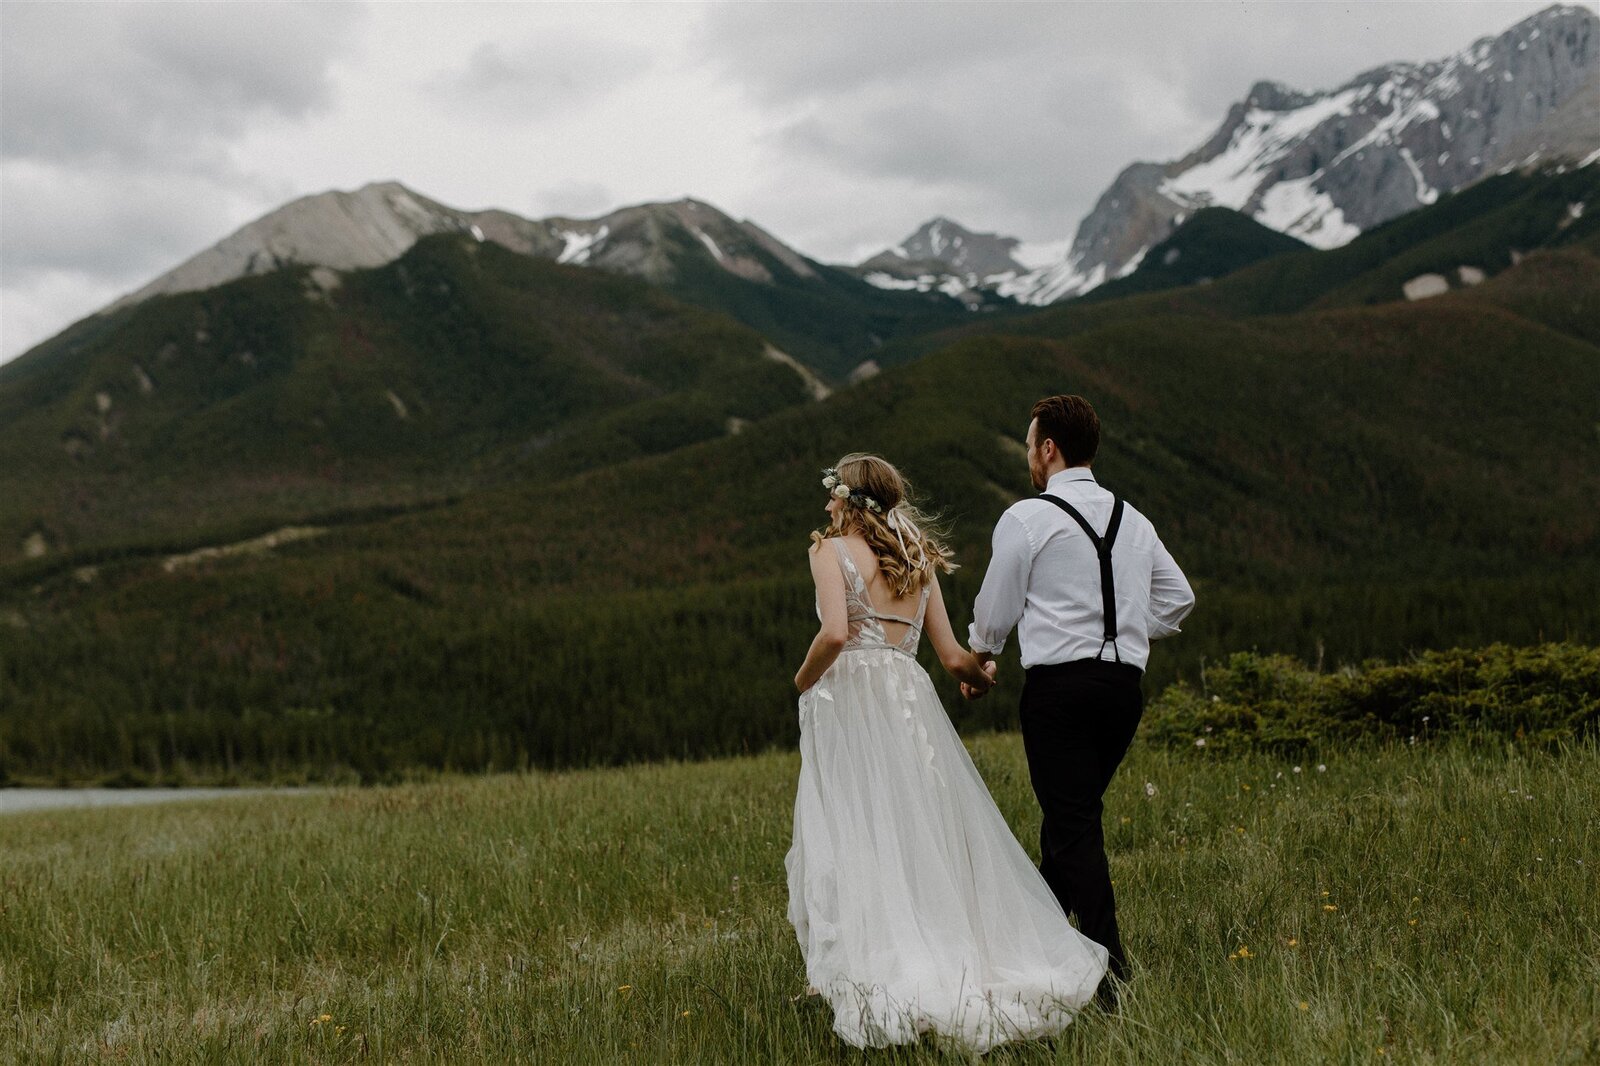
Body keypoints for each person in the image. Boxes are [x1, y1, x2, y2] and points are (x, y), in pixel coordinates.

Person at [787, 453, 1107, 1053]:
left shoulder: (828, 553)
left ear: (850, 501)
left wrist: (802, 682)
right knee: (919, 829)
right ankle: (946, 948)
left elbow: (833, 634)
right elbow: (954, 657)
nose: (826, 505)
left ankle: (879, 964)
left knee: (860, 828)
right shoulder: (919, 564)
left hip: (852, 703)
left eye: (832, 494)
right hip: (908, 701)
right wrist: (981, 677)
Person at [965, 394, 1195, 1005]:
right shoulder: (1133, 518)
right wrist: (1120, 629)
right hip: (1123, 693)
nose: (1028, 457)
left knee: (1074, 830)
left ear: (1048, 448)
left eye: (1028, 445)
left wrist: (980, 657)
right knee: (1070, 826)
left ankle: (1110, 979)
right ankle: (1024, 942)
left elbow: (995, 611)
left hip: (1059, 694)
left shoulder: (1026, 519)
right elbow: (1179, 599)